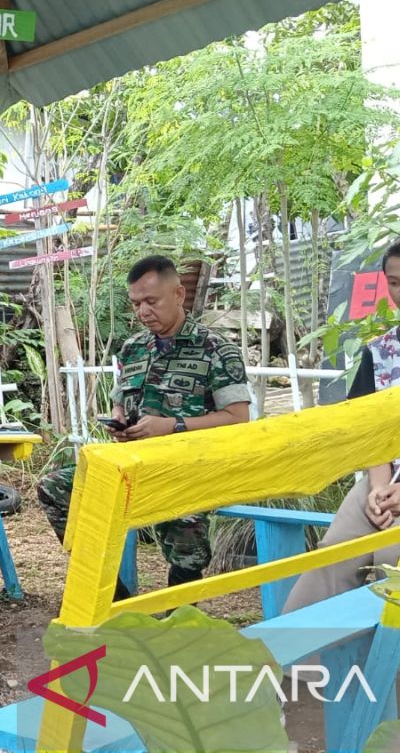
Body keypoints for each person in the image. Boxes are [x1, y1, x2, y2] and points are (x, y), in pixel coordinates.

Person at [38, 255, 251, 594]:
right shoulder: (133, 348)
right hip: (135, 464)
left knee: (187, 546)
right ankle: (115, 599)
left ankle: (179, 620)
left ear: (179, 294)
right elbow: (121, 401)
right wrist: (120, 421)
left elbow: (238, 421)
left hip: (190, 469)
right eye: (136, 303)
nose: (143, 311)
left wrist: (172, 426)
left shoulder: (216, 349)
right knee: (55, 487)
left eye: (152, 301)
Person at [283, 240, 400, 613]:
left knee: (389, 562)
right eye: (394, 282)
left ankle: (381, 667)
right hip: (385, 481)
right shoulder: (381, 351)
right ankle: (293, 667)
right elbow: (370, 433)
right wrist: (379, 489)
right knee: (325, 572)